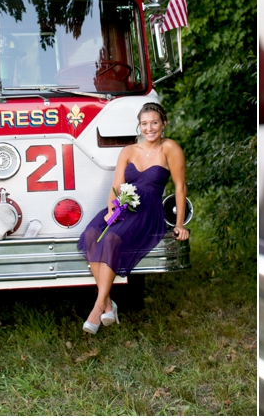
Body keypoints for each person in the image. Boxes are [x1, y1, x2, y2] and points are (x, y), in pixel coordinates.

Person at [77, 102, 189, 334]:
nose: (150, 128)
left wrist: (179, 224)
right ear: (139, 126)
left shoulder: (170, 148)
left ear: (164, 124)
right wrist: (110, 211)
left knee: (111, 240)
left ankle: (98, 308)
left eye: (155, 123)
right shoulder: (128, 151)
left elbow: (180, 187)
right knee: (90, 235)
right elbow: (117, 185)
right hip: (122, 206)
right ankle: (109, 304)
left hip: (148, 211)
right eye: (145, 123)